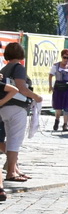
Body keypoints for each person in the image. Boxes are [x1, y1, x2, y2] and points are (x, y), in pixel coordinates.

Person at [1, 42, 39, 182]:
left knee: (10, 139)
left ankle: (13, 169)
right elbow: (22, 88)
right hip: (17, 107)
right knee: (15, 140)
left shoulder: (4, 69)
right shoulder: (18, 68)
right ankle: (11, 172)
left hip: (5, 107)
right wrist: (36, 97)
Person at [50, 47, 68, 132]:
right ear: (61, 57)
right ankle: (57, 120)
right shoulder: (55, 66)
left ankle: (65, 125)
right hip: (58, 87)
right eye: (65, 57)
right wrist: (50, 86)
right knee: (58, 108)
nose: (66, 59)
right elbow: (50, 75)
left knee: (67, 107)